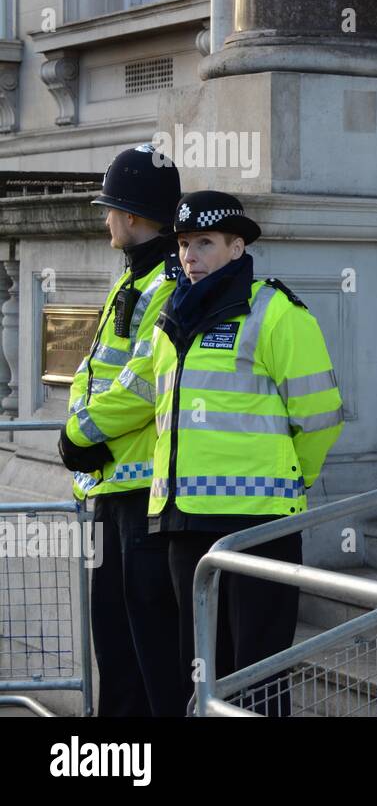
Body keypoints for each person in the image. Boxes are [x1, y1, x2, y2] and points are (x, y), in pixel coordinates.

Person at [109, 190, 344, 715]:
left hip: (257, 523)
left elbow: (321, 416)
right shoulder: (170, 318)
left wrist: (292, 480)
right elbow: (146, 403)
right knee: (201, 672)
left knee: (257, 673)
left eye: (205, 243)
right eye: (185, 244)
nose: (190, 256)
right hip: (182, 523)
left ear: (237, 248)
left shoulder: (276, 313)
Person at [58, 143, 187, 717]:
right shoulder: (133, 276)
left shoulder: (166, 282)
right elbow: (92, 371)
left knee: (149, 656)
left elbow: (140, 385)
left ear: (132, 216)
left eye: (110, 208)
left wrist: (79, 437)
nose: (104, 217)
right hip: (112, 493)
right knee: (116, 649)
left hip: (142, 498)